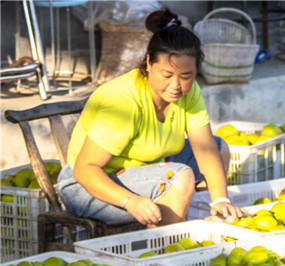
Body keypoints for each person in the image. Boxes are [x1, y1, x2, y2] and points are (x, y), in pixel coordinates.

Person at [57, 8, 242, 227]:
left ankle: (199, 220)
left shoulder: (189, 92)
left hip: (145, 169)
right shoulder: (123, 100)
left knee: (218, 148)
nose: (175, 86)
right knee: (180, 178)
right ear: (148, 63)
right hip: (90, 186)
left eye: (186, 76)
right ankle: (163, 248)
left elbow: (205, 149)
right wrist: (130, 201)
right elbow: (85, 170)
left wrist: (220, 198)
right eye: (167, 75)